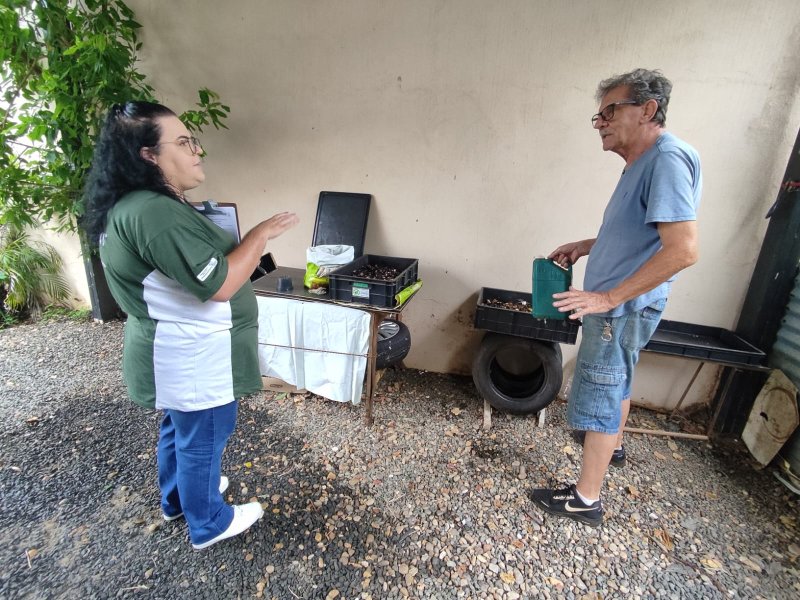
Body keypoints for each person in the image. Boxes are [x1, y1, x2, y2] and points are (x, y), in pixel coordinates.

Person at [81, 101, 299, 549]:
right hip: (193, 352)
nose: (197, 151)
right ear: (148, 155)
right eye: (183, 142)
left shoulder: (141, 205)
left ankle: (178, 498)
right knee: (205, 433)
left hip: (176, 348)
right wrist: (259, 236)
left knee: (180, 427)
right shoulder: (152, 212)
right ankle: (209, 523)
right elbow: (218, 284)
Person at [529, 69, 702, 527]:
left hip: (620, 310)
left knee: (602, 390)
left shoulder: (667, 159)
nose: (600, 122)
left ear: (647, 110)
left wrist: (608, 298)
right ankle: (614, 447)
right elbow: (639, 233)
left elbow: (683, 249)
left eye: (610, 111)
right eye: (598, 115)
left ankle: (586, 500)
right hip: (620, 306)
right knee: (617, 381)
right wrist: (589, 245)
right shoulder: (641, 162)